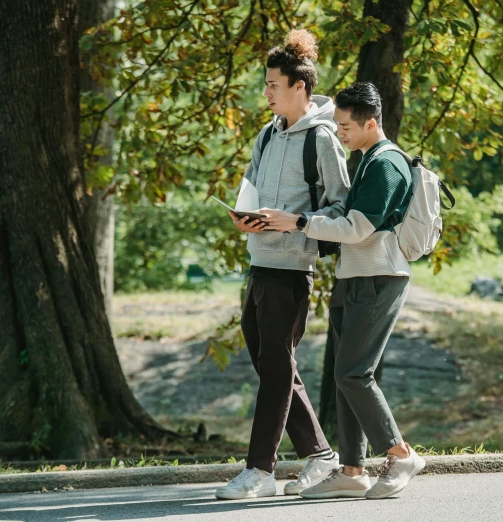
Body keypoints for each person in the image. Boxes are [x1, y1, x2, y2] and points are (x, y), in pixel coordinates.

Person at [263, 82, 426, 500]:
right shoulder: (367, 159)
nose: (339, 133)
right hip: (354, 277)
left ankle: (401, 453)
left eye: (346, 126)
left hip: (379, 277)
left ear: (372, 123)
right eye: (336, 125)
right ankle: (353, 470)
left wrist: (297, 222)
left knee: (355, 373)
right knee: (343, 376)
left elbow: (355, 229)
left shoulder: (386, 164)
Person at [214, 29, 351, 500]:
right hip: (259, 263)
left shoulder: (324, 140)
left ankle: (259, 471)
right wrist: (243, 219)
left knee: (276, 369)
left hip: (293, 269)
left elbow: (342, 209)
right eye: (267, 84)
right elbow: (248, 191)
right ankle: (320, 455)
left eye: (274, 84)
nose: (267, 92)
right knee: (273, 367)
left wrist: (296, 221)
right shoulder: (265, 136)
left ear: (300, 87)